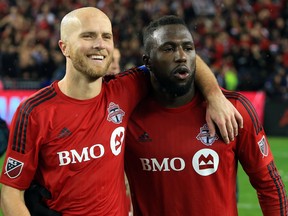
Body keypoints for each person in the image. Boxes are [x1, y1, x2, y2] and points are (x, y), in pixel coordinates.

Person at [0, 7, 243, 216]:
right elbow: (11, 192)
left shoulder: (123, 90)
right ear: (64, 47)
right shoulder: (34, 111)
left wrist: (214, 95)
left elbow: (181, 56)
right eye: (88, 36)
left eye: (106, 36)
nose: (100, 44)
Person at [124, 15, 288, 215]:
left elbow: (269, 186)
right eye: (168, 49)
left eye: (188, 48)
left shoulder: (233, 109)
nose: (181, 56)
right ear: (147, 62)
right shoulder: (126, 116)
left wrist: (213, 94)